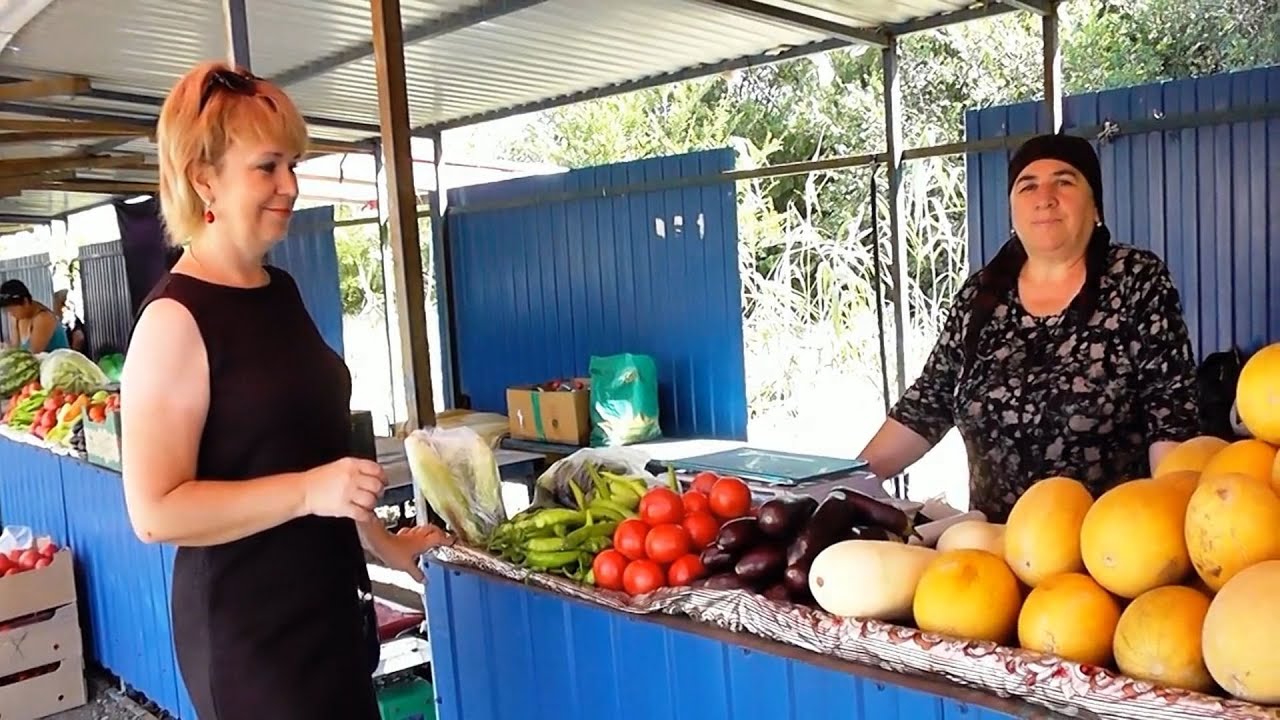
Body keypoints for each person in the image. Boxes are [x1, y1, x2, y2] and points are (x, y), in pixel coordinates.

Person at [119, 61, 452, 720]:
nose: (291, 186)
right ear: (204, 178)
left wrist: (385, 545)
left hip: (331, 609)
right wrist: (306, 492)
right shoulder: (175, 319)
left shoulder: (281, 291)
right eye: (267, 167)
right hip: (253, 637)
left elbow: (320, 462)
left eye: (292, 164)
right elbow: (155, 512)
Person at [857, 133, 1199, 522]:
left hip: (1109, 543)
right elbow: (928, 404)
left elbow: (1170, 416)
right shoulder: (982, 294)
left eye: (1064, 181)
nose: (1045, 197)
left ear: (1096, 206)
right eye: (1028, 185)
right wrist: (844, 485)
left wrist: (1173, 520)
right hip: (992, 545)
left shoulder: (1135, 278)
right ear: (1013, 209)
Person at [0, 279, 71, 353]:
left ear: (25, 302)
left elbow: (33, 354)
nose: (11, 313)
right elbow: (15, 348)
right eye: (8, 310)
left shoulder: (44, 318)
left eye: (12, 309)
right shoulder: (16, 318)